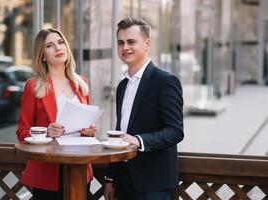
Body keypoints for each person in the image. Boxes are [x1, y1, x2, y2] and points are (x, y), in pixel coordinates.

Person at [104, 17, 184, 200]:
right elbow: (121, 132)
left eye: (131, 42)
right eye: (120, 43)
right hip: (122, 182)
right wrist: (110, 178)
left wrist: (138, 140)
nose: (125, 48)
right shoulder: (122, 86)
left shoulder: (165, 81)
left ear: (147, 43)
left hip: (152, 184)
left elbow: (175, 131)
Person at [16, 28, 96, 199]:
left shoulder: (82, 83)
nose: (58, 48)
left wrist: (88, 131)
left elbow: (85, 125)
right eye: (50, 45)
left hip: (79, 167)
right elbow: (22, 133)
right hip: (48, 170)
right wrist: (46, 131)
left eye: (60, 42)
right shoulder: (33, 86)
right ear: (43, 55)